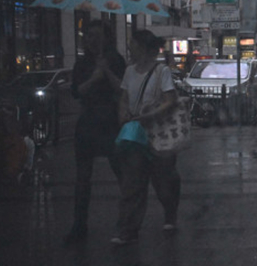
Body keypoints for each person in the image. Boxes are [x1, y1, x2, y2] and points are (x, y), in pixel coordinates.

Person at [113, 30, 180, 246]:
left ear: (142, 47)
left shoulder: (162, 71)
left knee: (163, 182)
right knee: (133, 184)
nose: (130, 47)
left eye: (132, 43)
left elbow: (170, 99)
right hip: (135, 135)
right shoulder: (129, 71)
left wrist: (150, 114)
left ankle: (170, 213)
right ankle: (128, 229)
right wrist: (123, 113)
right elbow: (124, 97)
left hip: (159, 134)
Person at [65, 20, 126, 244]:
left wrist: (106, 71)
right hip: (88, 123)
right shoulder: (81, 64)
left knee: (122, 175)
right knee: (82, 179)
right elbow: (77, 92)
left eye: (97, 37)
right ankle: (79, 225)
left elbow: (123, 89)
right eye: (88, 37)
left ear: (106, 39)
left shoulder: (116, 60)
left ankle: (127, 223)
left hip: (111, 123)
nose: (92, 41)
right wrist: (94, 77)